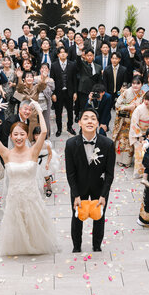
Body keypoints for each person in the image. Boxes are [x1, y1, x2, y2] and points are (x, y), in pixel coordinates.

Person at [0, 99, 59, 255]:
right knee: (16, 224)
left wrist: (39, 110)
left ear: (27, 135)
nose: (19, 137)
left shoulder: (33, 151)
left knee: (34, 222)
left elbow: (44, 132)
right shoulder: (6, 154)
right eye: (15, 134)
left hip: (31, 196)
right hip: (14, 197)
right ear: (11, 136)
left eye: (22, 134)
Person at [65, 108, 116, 252]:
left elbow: (109, 174)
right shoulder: (71, 144)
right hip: (79, 186)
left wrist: (103, 195)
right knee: (77, 217)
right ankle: (76, 246)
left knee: (99, 216)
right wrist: (75, 194)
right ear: (80, 122)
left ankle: (97, 246)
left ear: (98, 123)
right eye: (86, 118)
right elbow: (70, 173)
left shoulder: (108, 144)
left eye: (93, 118)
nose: (90, 121)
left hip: (99, 186)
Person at [112, 76, 145, 167]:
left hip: (135, 121)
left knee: (131, 140)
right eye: (133, 83)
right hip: (123, 120)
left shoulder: (144, 95)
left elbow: (145, 107)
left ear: (142, 84)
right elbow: (117, 105)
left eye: (138, 83)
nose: (135, 85)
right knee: (121, 139)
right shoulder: (126, 92)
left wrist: (138, 106)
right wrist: (127, 107)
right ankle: (119, 159)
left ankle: (127, 161)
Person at [129, 89, 149, 178]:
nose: (146, 102)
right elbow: (134, 124)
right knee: (140, 153)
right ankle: (139, 173)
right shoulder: (138, 109)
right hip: (139, 133)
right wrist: (140, 136)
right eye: (145, 99)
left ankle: (148, 170)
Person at [50, 47, 77, 136]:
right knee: (58, 112)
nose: (62, 54)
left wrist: (75, 92)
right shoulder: (54, 65)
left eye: (64, 52)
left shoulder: (72, 64)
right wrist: (53, 93)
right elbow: (52, 81)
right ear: (58, 55)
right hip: (58, 93)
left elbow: (74, 79)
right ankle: (59, 129)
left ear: (67, 54)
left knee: (70, 111)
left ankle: (70, 127)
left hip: (69, 92)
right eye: (60, 52)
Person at [30, 126, 59, 197]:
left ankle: (49, 187)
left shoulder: (46, 145)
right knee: (37, 175)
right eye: (36, 135)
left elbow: (50, 154)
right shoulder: (32, 144)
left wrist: (48, 163)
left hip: (45, 161)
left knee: (46, 175)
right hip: (37, 161)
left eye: (40, 135)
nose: (38, 137)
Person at [77, 49, 103, 113]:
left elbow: (99, 80)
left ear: (93, 56)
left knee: (94, 109)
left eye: (91, 55)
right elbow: (78, 61)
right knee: (83, 109)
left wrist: (99, 91)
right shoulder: (82, 65)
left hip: (94, 91)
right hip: (84, 91)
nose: (89, 57)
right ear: (85, 56)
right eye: (87, 55)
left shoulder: (98, 67)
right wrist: (79, 52)